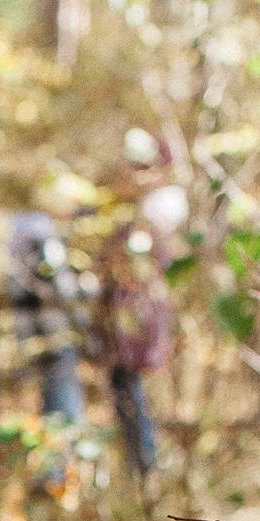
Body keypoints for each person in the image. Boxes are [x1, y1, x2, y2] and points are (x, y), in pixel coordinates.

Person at [95, 192, 182, 488]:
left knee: (141, 408)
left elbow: (155, 315)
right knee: (128, 406)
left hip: (139, 354)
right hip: (122, 352)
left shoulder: (159, 257)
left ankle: (149, 473)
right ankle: (140, 473)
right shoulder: (126, 242)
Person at [6, 209, 84, 425]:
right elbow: (65, 291)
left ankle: (60, 443)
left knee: (55, 389)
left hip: (38, 334)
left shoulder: (18, 252)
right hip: (55, 333)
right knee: (61, 389)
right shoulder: (46, 250)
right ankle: (65, 443)